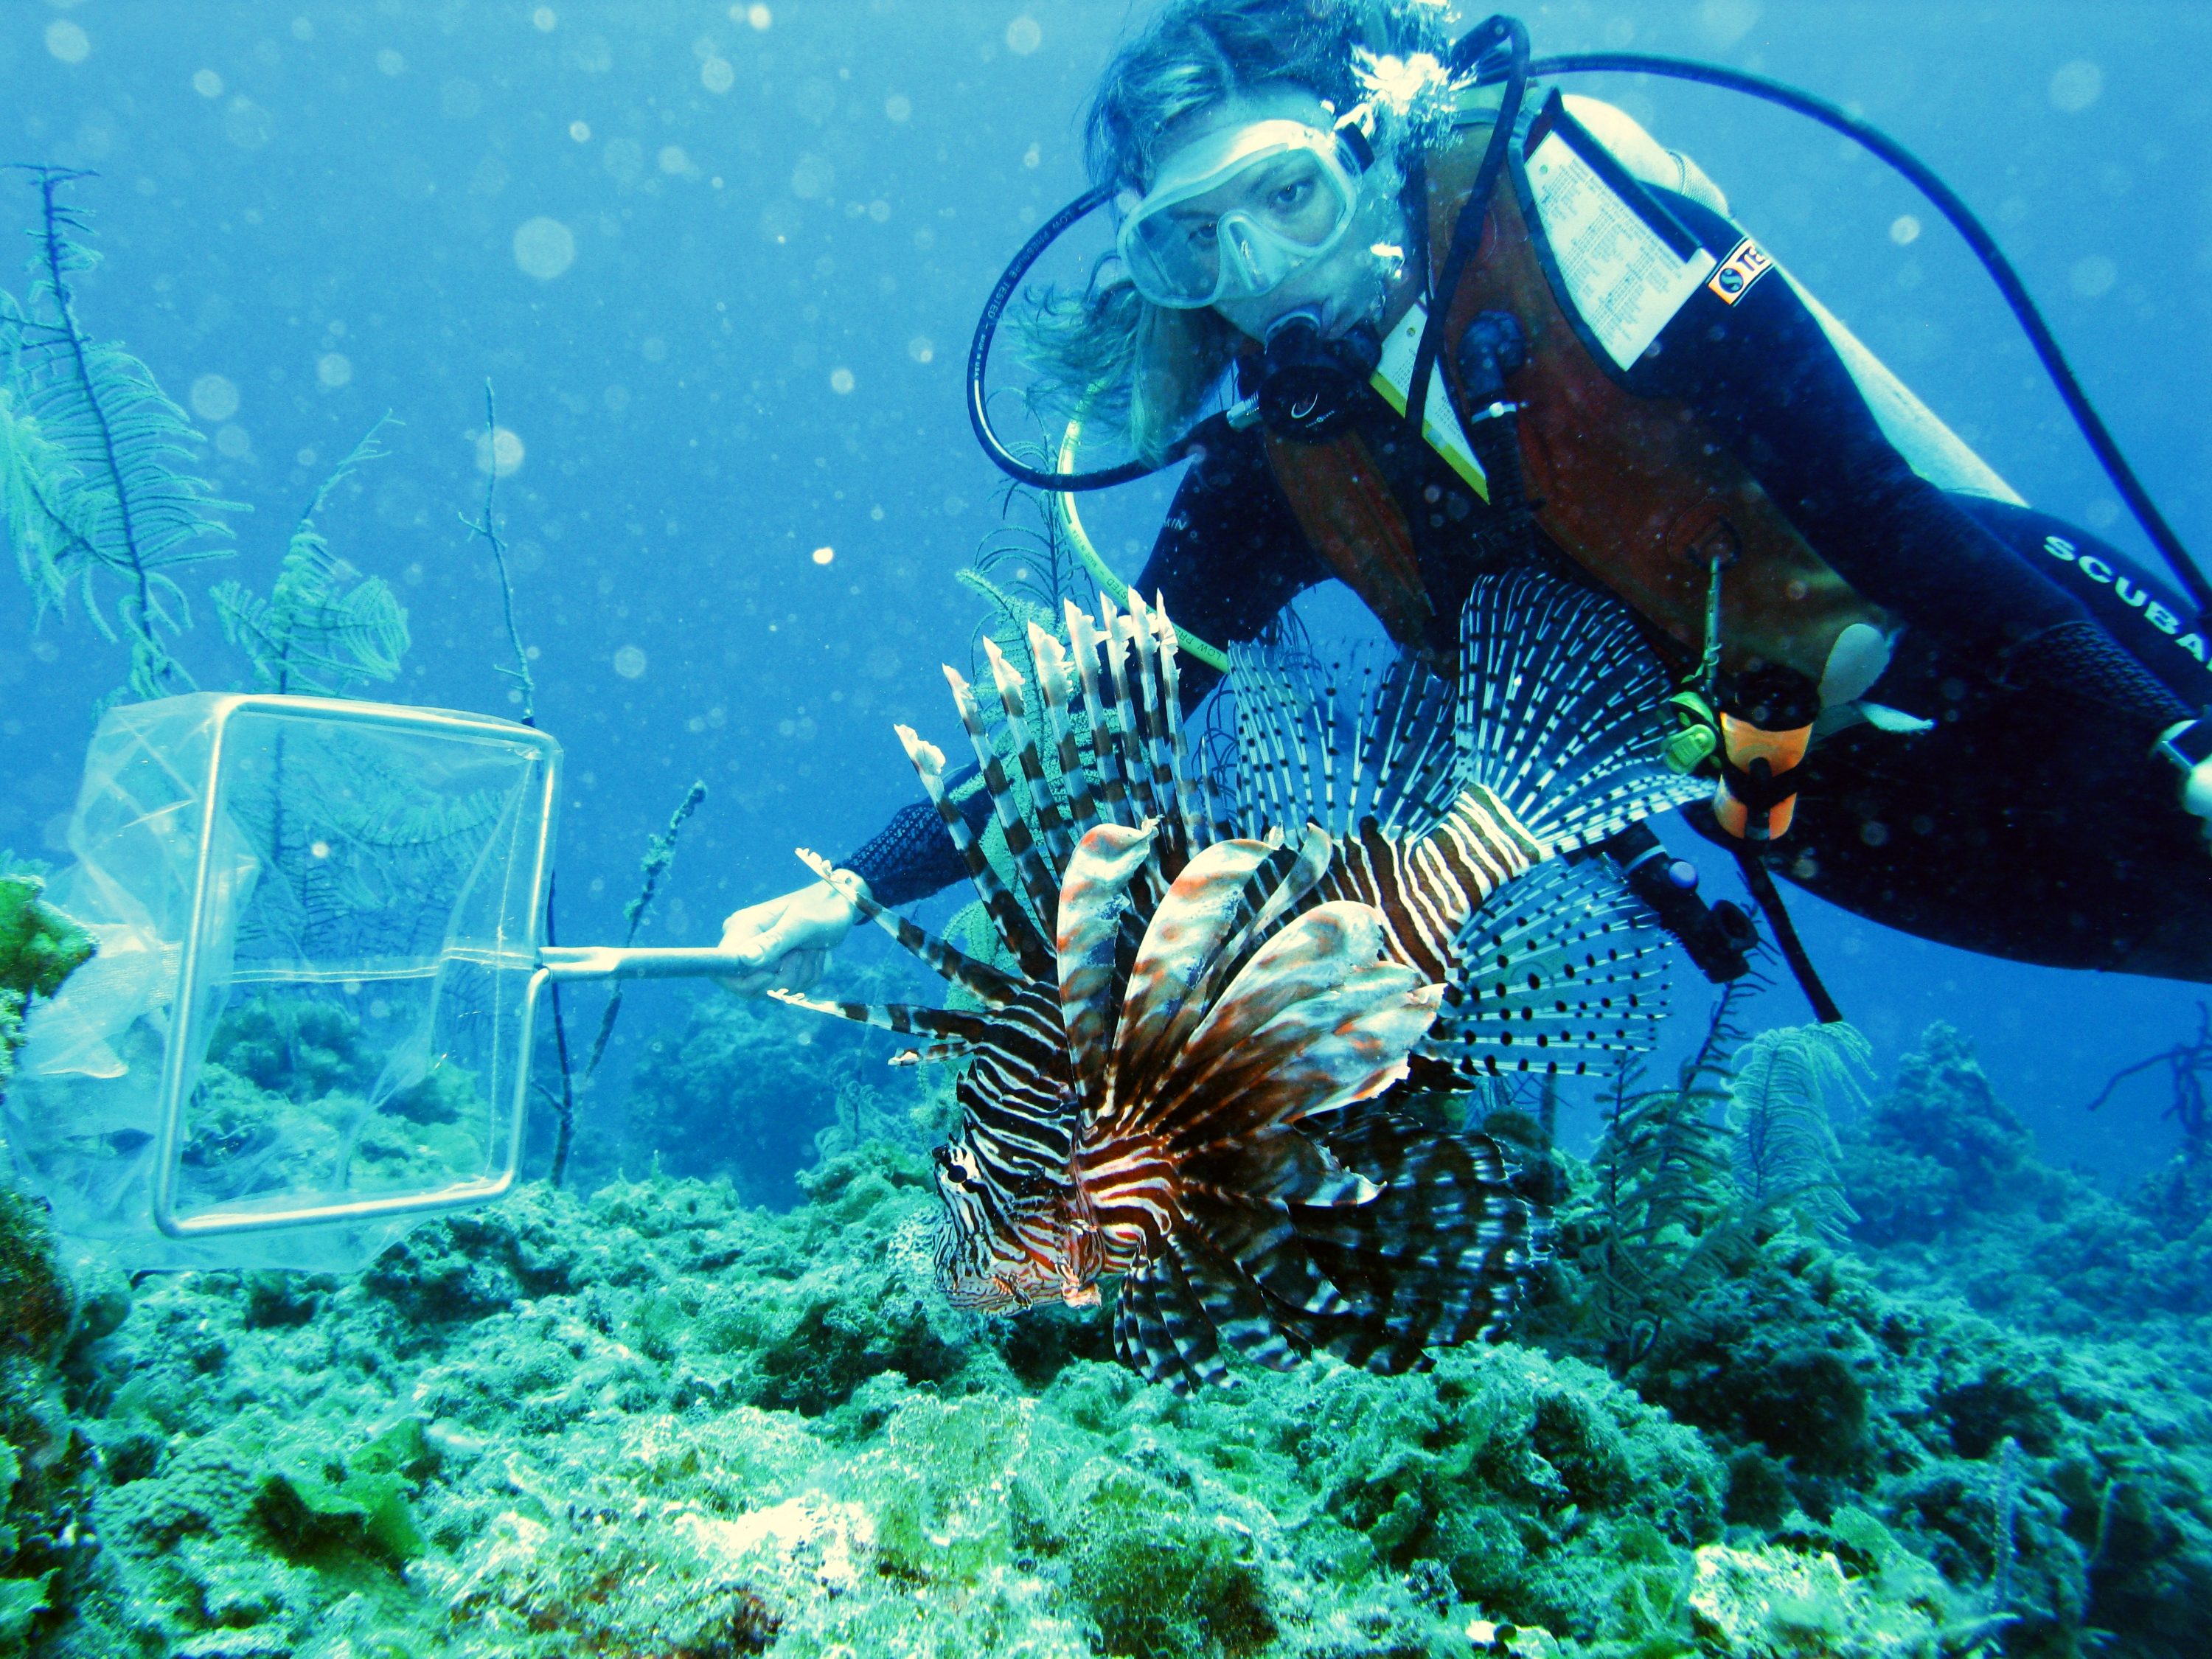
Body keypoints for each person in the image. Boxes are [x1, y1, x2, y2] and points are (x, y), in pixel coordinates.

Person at [720, 0, 2212, 995]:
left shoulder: (1572, 231)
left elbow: (1889, 516)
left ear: (1369, 155)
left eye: (1287, 195)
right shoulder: (1277, 470)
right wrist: (857, 888)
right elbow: (1111, 711)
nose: (1261, 272)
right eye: (1196, 247)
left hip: (2019, 655)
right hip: (1823, 819)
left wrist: (2166, 729)